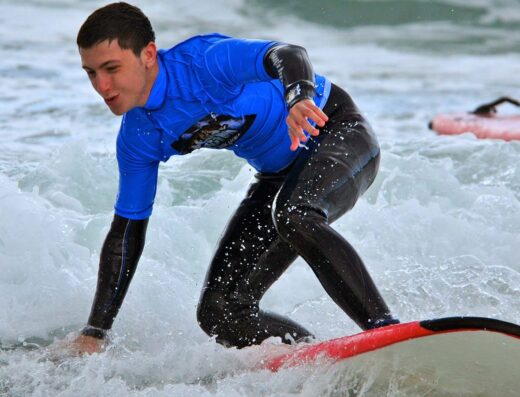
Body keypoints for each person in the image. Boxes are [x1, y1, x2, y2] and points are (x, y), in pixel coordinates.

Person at [69, 2, 399, 355]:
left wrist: (298, 97)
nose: (102, 86)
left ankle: (387, 331)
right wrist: (95, 331)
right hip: (279, 176)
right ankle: (314, 358)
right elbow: (126, 233)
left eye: (111, 68)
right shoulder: (139, 136)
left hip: (336, 129)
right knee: (220, 312)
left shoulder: (203, 62)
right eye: (91, 73)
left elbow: (287, 53)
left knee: (296, 214)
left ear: (148, 54)